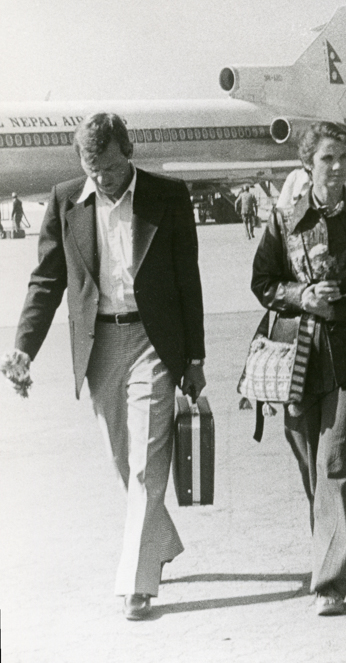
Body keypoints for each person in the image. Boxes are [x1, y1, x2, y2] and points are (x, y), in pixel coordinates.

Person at [1, 112, 206, 620]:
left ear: (128, 152)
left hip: (153, 341)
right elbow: (46, 282)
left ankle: (137, 584)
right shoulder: (66, 199)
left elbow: (188, 281)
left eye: (110, 167)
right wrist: (23, 346)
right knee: (123, 459)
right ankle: (157, 541)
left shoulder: (168, 196)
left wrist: (195, 357)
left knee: (145, 462)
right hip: (99, 346)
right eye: (93, 168)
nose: (102, 178)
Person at [251, 120, 346, 616]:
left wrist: (341, 304)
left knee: (334, 462)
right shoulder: (283, 220)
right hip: (297, 359)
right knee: (309, 463)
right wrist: (301, 295)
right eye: (327, 159)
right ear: (308, 164)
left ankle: (330, 582)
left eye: (344, 158)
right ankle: (327, 550)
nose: (337, 167)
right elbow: (263, 282)